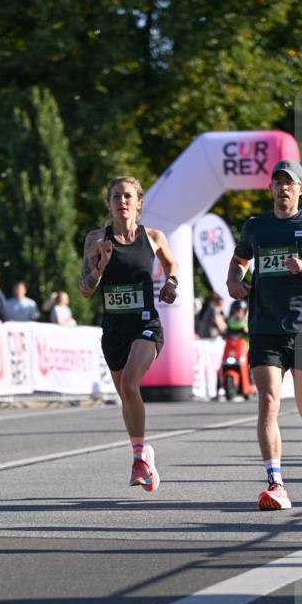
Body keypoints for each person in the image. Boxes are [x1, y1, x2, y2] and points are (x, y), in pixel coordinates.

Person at [226, 159, 302, 511]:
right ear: (271, 189)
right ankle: (275, 482)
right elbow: (239, 260)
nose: (283, 188)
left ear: (301, 189)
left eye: (289, 183)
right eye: (277, 182)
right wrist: (234, 280)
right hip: (264, 326)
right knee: (268, 402)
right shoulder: (256, 227)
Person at [79, 175, 178, 492]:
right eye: (116, 196)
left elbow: (171, 265)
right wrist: (100, 266)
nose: (122, 201)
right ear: (108, 203)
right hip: (113, 329)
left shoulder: (153, 237)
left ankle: (138, 459)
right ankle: (145, 451)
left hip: (145, 323)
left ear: (139, 202)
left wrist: (171, 284)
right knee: (127, 395)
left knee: (132, 385)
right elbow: (84, 290)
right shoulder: (96, 239)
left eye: (128, 196)